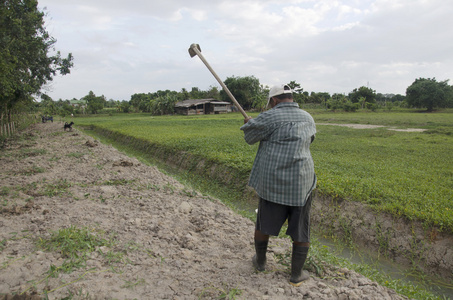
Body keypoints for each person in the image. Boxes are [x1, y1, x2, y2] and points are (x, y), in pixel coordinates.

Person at [240, 84, 316, 287]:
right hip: (302, 181)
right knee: (302, 227)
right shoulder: (308, 117)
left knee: (263, 222)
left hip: (273, 183)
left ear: (273, 100)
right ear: (291, 98)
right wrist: (254, 124)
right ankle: (296, 273)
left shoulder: (269, 116)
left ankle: (261, 262)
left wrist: (250, 124)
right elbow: (310, 141)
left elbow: (250, 137)